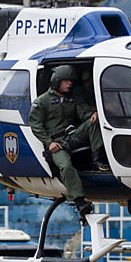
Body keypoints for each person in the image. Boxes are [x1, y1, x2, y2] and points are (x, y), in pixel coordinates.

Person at [29, 65, 108, 219]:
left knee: (93, 124)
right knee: (65, 166)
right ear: (57, 81)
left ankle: (99, 160)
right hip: (56, 143)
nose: (69, 84)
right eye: (66, 81)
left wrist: (95, 114)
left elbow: (84, 114)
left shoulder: (73, 99)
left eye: (71, 81)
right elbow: (36, 125)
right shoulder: (42, 101)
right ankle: (80, 201)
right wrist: (49, 142)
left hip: (72, 136)